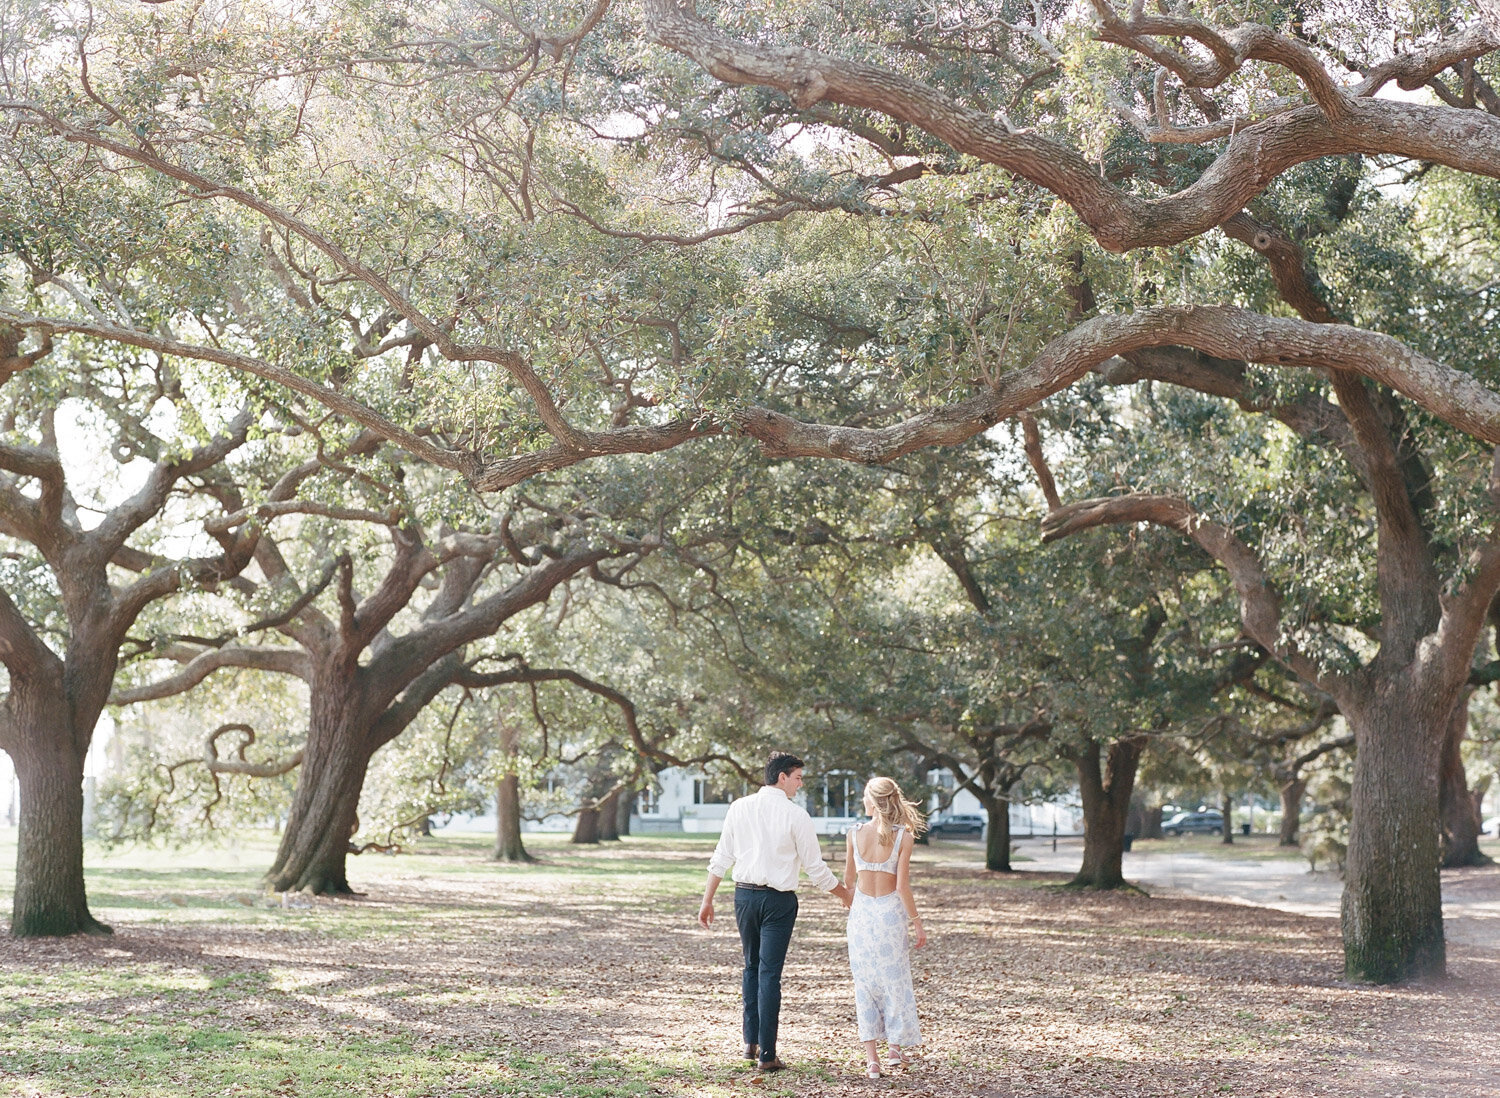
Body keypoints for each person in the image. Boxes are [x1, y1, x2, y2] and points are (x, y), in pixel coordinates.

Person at [698, 752, 854, 1074]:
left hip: (744, 897)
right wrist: (846, 895)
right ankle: (766, 1054)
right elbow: (815, 869)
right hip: (778, 902)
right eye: (797, 777)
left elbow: (721, 857)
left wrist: (707, 899)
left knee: (751, 968)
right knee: (768, 973)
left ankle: (750, 1043)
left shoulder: (739, 807)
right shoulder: (796, 816)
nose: (800, 784)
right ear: (781, 777)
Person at [844, 776, 927, 1079]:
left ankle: (872, 1061)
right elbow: (903, 887)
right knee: (895, 981)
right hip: (891, 915)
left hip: (862, 916)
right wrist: (917, 923)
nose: (863, 801)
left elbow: (849, 881)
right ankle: (895, 1048)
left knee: (864, 985)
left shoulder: (853, 834)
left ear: (872, 800)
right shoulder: (905, 836)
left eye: (865, 796)